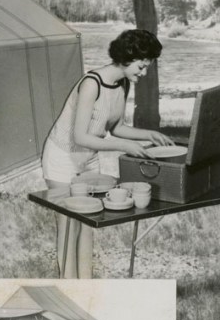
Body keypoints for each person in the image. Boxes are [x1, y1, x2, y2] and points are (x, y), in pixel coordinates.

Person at [41, 29, 173, 278]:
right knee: (69, 226)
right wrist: (123, 146)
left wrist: (148, 135)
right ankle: (69, 287)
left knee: (87, 224)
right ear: (127, 57)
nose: (143, 74)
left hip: (89, 158)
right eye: (141, 67)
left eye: (146, 68)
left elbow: (116, 127)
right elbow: (80, 136)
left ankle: (86, 286)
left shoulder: (123, 83)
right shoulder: (92, 84)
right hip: (62, 157)